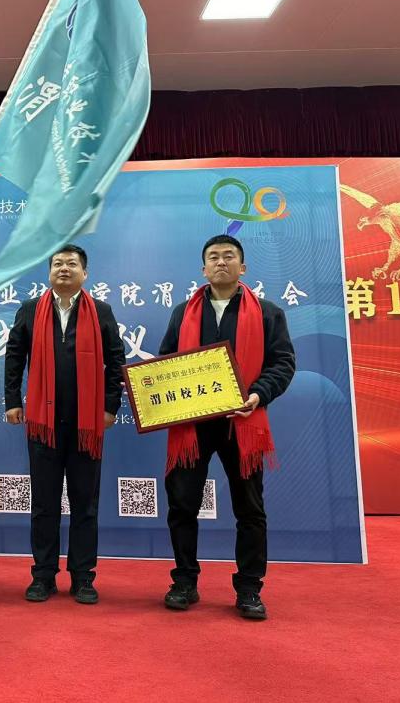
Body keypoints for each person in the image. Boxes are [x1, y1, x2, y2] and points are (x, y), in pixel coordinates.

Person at [158, 234, 295, 620]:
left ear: (243, 266)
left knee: (250, 509)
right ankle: (185, 581)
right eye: (214, 257)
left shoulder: (267, 312)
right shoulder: (183, 312)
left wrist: (258, 395)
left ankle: (249, 588)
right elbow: (166, 362)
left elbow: (283, 363)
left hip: (244, 423)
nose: (221, 262)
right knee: (182, 505)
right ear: (203, 269)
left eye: (229, 256)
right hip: (192, 426)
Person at [4, 244, 126, 604]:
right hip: (43, 423)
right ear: (49, 272)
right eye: (57, 263)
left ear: (84, 273)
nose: (64, 269)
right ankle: (42, 576)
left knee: (85, 504)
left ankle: (83, 577)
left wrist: (110, 406)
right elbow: (14, 356)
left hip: (86, 424)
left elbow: (116, 360)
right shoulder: (30, 310)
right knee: (44, 504)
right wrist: (12, 400)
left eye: (72, 264)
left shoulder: (101, 311)